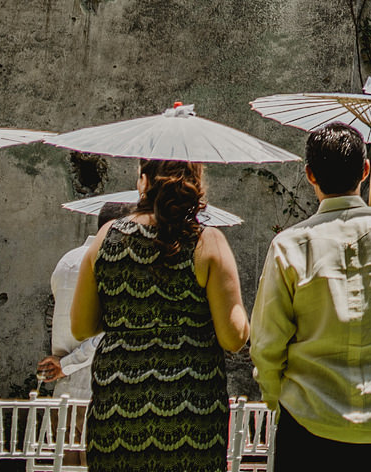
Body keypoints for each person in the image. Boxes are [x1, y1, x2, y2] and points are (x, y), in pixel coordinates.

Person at [250, 123, 371, 471]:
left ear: (309, 175)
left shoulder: (289, 245)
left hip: (309, 418)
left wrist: (278, 400)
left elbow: (266, 341)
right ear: (365, 170)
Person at [72, 159, 249, 472]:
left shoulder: (107, 236)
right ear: (195, 181)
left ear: (143, 181)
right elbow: (233, 338)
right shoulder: (208, 242)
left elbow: (81, 327)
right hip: (190, 413)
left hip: (118, 408)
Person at [40, 202, 131, 400]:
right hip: (96, 387)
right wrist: (66, 365)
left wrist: (63, 365)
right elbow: (107, 334)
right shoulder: (112, 263)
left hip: (63, 387)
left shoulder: (67, 260)